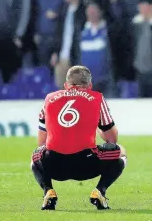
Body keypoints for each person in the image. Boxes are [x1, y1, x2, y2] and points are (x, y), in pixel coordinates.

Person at [31, 66, 127, 210]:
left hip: (54, 164)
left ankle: (48, 192)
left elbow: (41, 142)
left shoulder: (49, 99)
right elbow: (112, 139)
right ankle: (99, 191)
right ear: (90, 86)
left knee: (35, 157)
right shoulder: (97, 98)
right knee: (121, 153)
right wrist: (95, 126)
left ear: (65, 85)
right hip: (86, 164)